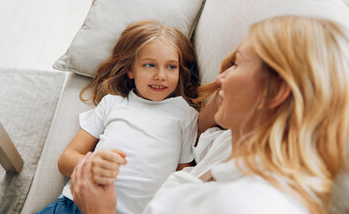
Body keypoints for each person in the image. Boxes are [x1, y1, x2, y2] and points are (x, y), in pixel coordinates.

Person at [69, 15, 349, 214]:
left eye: (237, 64)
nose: (222, 76)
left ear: (277, 92)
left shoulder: (247, 205)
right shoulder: (230, 142)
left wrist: (100, 211)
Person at [36, 20, 200, 214]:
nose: (161, 75)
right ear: (131, 70)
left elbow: (183, 176)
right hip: (74, 205)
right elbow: (65, 160)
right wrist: (90, 165)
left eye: (171, 67)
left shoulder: (185, 113)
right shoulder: (112, 103)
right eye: (149, 65)